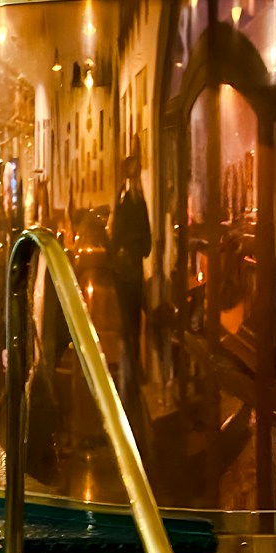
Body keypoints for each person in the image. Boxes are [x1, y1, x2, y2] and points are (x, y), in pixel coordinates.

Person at [108, 141, 153, 392]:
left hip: (128, 268)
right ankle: (132, 370)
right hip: (130, 266)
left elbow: (123, 232)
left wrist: (121, 249)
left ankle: (130, 372)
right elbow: (143, 237)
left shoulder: (129, 198)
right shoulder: (134, 198)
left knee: (129, 321)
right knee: (130, 320)